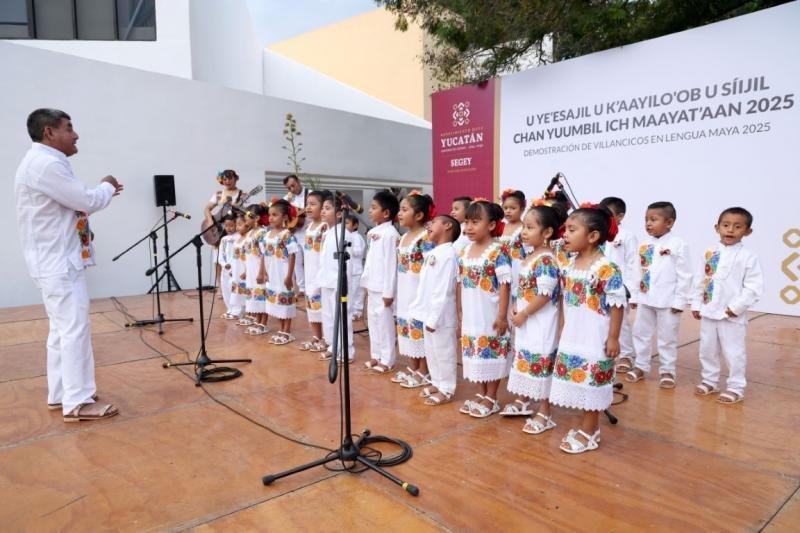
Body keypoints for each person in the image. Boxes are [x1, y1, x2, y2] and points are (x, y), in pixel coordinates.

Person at [15, 108, 123, 422]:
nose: (75, 135)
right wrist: (106, 185)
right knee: (74, 328)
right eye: (69, 128)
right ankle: (77, 401)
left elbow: (68, 208)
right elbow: (86, 200)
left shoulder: (44, 163)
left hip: (54, 261)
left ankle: (61, 393)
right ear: (49, 132)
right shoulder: (45, 164)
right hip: (58, 264)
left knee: (61, 330)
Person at [550, 205, 625, 454]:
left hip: (595, 337)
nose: (565, 235)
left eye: (572, 230)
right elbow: (565, 300)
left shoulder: (606, 268)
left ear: (593, 236)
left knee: (592, 383)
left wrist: (613, 337)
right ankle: (586, 426)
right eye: (565, 229)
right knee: (578, 381)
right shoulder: (571, 265)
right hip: (575, 334)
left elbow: (617, 305)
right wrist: (562, 327)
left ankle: (590, 430)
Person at [690, 207, 763, 404]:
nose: (730, 230)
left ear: (748, 232)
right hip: (708, 311)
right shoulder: (709, 252)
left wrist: (736, 307)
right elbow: (700, 279)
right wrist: (696, 303)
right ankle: (710, 380)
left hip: (731, 316)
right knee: (707, 349)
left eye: (737, 226)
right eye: (726, 225)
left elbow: (754, 287)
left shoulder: (748, 257)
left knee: (734, 353)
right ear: (717, 227)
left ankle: (736, 387)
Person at [502, 205, 564, 434]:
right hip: (527, 321)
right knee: (526, 359)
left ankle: (545, 412)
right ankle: (524, 399)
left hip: (540, 323)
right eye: (523, 227)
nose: (523, 232)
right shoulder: (531, 256)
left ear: (547, 232)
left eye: (529, 227)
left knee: (541, 363)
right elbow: (525, 289)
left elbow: (545, 294)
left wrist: (525, 313)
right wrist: (518, 306)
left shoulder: (546, 260)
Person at [626, 201, 692, 389]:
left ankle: (667, 370)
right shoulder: (644, 244)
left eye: (653, 220)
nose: (648, 223)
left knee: (667, 338)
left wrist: (680, 301)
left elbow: (685, 275)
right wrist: (635, 296)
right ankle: (640, 365)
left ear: (669, 222)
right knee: (640, 333)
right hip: (646, 299)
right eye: (646, 219)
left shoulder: (678, 244)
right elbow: (637, 271)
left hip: (669, 302)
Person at [457, 199, 512, 418]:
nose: (469, 227)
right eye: (467, 221)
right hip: (471, 313)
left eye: (475, 222)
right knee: (475, 355)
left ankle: (492, 396)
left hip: (489, 313)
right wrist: (460, 310)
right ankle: (481, 393)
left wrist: (501, 316)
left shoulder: (497, 252)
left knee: (491, 354)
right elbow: (460, 283)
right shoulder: (465, 251)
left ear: (491, 225)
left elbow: (505, 285)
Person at [412, 215, 460, 406]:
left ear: (447, 226)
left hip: (441, 316)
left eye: (434, 223)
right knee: (432, 350)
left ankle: (447, 388)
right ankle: (437, 382)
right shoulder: (435, 252)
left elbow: (444, 290)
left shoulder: (449, 254)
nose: (429, 226)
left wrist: (434, 318)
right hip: (429, 312)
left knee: (444, 351)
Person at [390, 191, 436, 388]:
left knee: (419, 329)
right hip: (405, 291)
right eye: (400, 209)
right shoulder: (403, 237)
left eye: (404, 210)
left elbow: (430, 267)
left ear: (418, 215)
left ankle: (424, 370)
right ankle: (413, 366)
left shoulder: (425, 237)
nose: (399, 213)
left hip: (419, 291)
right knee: (407, 330)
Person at [360, 190, 400, 373]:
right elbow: (370, 261)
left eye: (374, 207)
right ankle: (376, 355)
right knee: (374, 324)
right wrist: (366, 285)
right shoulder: (374, 232)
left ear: (386, 213)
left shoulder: (391, 234)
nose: (369, 210)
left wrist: (389, 292)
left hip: (384, 288)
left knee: (385, 325)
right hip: (373, 285)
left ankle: (388, 359)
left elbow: (391, 265)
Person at [599, 197, 639, 373]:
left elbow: (633, 264)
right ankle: (606, 349)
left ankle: (627, 355)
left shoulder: (627, 236)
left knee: (621, 322)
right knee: (602, 320)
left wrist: (630, 290)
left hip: (619, 288)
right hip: (598, 286)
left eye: (608, 214)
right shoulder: (597, 233)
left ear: (620, 217)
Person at [317, 194, 356, 362]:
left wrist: (344, 282)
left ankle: (347, 351)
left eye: (328, 208)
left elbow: (349, 262)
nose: (323, 211)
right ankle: (334, 346)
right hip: (327, 280)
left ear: (340, 214)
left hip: (339, 281)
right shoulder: (327, 232)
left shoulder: (344, 233)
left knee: (341, 317)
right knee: (329, 316)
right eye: (323, 208)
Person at [263, 199, 299, 344]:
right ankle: (281, 328)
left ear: (284, 217)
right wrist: (264, 271)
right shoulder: (267, 235)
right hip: (272, 272)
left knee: (285, 300)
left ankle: (287, 330)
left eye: (275, 215)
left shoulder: (287, 234)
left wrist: (289, 275)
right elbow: (264, 255)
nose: (271, 218)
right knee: (275, 301)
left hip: (283, 271)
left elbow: (292, 254)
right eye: (269, 215)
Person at [298, 190, 330, 352]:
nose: (308, 208)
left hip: (321, 273)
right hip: (309, 272)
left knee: (323, 307)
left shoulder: (325, 227)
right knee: (312, 306)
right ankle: (316, 335)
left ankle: (326, 337)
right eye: (307, 204)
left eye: (313, 204)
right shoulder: (309, 226)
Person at [242, 204, 269, 335]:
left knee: (261, 296)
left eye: (248, 215)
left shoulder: (262, 232)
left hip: (259, 268)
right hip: (251, 269)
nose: (245, 217)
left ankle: (263, 323)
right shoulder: (250, 233)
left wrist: (261, 272)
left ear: (257, 217)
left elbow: (264, 253)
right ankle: (257, 321)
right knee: (254, 297)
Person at [498, 189, 527, 311]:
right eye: (505, 208)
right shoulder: (500, 227)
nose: (508, 211)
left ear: (522, 209)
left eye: (513, 208)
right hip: (500, 271)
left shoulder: (524, 228)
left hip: (517, 269)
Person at [283, 174, 308, 294]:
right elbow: (282, 212)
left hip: (308, 231)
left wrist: (305, 210)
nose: (292, 189)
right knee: (297, 260)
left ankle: (311, 286)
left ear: (299, 181)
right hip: (295, 232)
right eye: (289, 188)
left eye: (293, 185)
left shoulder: (310, 194)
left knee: (309, 260)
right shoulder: (289, 197)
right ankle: (302, 288)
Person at [217, 215, 239, 319]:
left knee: (234, 289)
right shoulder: (223, 239)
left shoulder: (239, 237)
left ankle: (237, 311)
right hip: (225, 269)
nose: (228, 228)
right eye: (226, 226)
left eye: (231, 225)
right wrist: (224, 264)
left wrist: (232, 265)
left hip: (235, 268)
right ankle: (229, 309)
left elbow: (238, 254)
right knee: (225, 288)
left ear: (236, 225)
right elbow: (220, 255)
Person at [227, 214, 249, 320]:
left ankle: (244, 311)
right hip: (236, 268)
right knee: (236, 289)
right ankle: (236, 309)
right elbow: (233, 256)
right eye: (237, 225)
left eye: (240, 225)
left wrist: (246, 271)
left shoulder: (247, 239)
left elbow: (248, 258)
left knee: (243, 289)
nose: (237, 227)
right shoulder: (237, 239)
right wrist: (231, 268)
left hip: (243, 268)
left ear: (247, 224)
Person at [345, 215, 366, 319]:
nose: (345, 225)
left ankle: (357, 311)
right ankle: (351, 310)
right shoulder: (347, 236)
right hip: (350, 269)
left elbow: (358, 252)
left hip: (356, 270)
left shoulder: (357, 237)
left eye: (347, 223)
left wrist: (349, 248)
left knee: (357, 291)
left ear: (355, 225)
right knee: (350, 291)